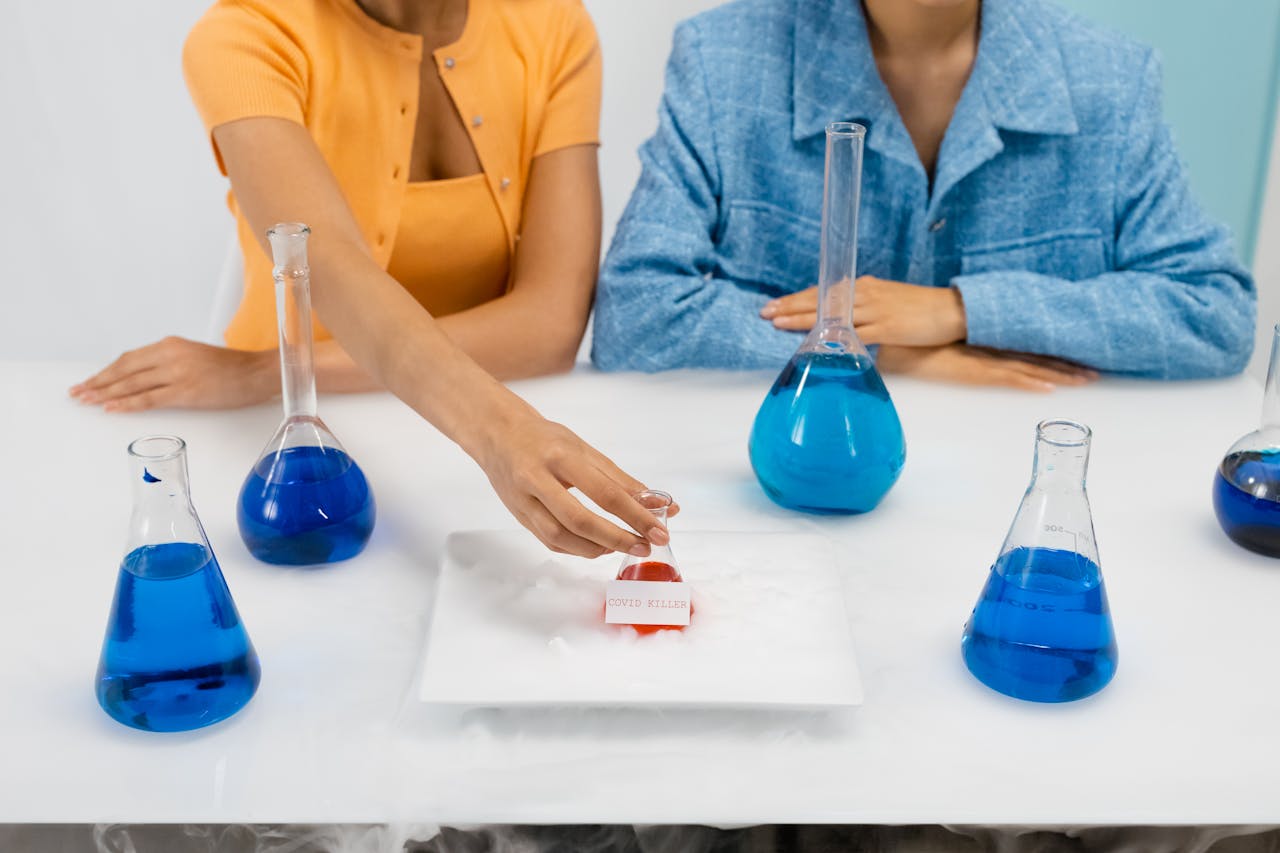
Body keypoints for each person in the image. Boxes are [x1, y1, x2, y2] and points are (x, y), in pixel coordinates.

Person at [71, 0, 673, 560]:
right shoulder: (248, 34)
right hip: (290, 446)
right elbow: (324, 266)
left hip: (458, 435)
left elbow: (549, 326)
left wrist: (264, 372)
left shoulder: (551, 24)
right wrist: (499, 430)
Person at [592, 0, 1256, 390]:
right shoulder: (722, 59)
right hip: (784, 492)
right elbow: (638, 316)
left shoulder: (1109, 78)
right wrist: (889, 354)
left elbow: (1212, 310)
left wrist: (958, 310)